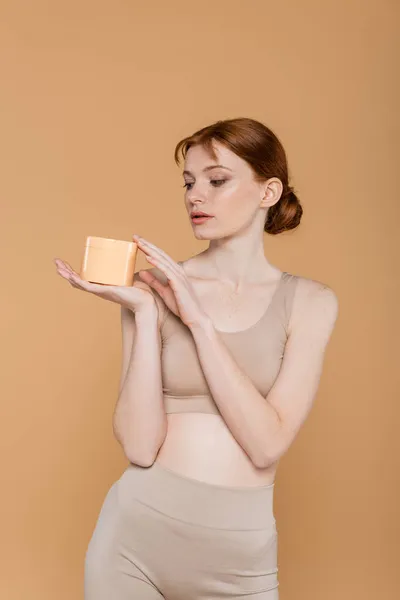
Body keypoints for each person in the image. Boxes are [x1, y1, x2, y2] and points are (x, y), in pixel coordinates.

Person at [54, 117, 339, 599]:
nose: (194, 195)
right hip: (133, 543)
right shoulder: (151, 289)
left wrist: (199, 324)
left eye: (217, 180)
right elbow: (140, 447)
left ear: (268, 192)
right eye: (189, 182)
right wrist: (146, 315)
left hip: (238, 560)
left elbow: (267, 444)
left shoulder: (311, 302)